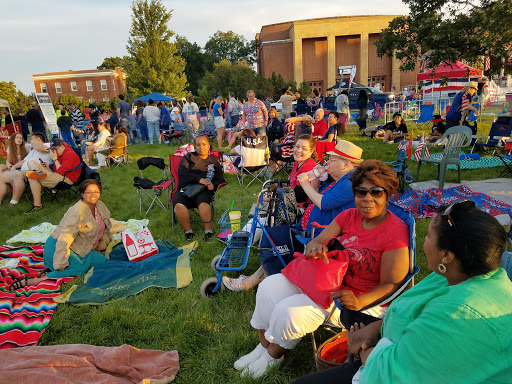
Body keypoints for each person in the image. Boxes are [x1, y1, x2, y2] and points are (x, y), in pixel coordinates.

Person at [293, 200, 512, 384]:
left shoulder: (462, 315)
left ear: (446, 255)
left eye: (427, 236)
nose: (423, 241)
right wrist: (376, 328)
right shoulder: (455, 275)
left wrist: (361, 349)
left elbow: (394, 374)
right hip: (384, 349)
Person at [234, 160, 409, 379]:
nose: (367, 199)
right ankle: (263, 345)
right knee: (269, 287)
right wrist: (316, 247)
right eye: (361, 192)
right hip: (326, 280)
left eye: (376, 192)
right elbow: (318, 240)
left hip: (358, 301)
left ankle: (273, 356)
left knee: (288, 311)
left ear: (388, 194)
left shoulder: (394, 232)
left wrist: (359, 301)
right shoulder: (348, 216)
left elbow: (391, 284)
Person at [223, 140, 363, 293]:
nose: (327, 161)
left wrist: (305, 184)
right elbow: (316, 195)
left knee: (277, 237)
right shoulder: (339, 180)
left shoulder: (349, 182)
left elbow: (323, 203)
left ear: (346, 164)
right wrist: (315, 177)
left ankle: (256, 278)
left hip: (321, 236)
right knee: (276, 235)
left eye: (332, 159)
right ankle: (256, 271)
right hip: (311, 229)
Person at [8, 180, 112, 292]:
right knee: (78, 270)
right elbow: (65, 237)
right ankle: (37, 280)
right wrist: (60, 261)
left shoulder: (100, 206)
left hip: (83, 248)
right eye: (89, 192)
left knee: (104, 262)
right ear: (82, 194)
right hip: (61, 247)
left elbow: (104, 228)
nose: (93, 195)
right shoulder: (77, 211)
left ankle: (53, 271)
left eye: (96, 191)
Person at [173, 135, 226, 242]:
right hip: (185, 189)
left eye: (204, 144)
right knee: (178, 205)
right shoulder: (188, 157)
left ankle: (208, 231)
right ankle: (188, 231)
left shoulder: (213, 161)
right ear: (195, 146)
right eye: (198, 145)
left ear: (209, 145)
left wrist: (214, 185)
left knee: (203, 203)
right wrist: (199, 179)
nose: (201, 147)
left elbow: (220, 179)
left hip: (203, 190)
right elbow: (182, 173)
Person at [25, 137, 81, 214]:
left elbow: (62, 173)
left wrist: (55, 159)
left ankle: (38, 175)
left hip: (66, 180)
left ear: (62, 146)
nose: (54, 151)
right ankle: (38, 175)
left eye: (55, 148)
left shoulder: (70, 154)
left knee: (31, 176)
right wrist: (48, 168)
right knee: (31, 162)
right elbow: (55, 172)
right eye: (52, 149)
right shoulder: (60, 155)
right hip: (57, 177)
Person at [0, 133, 51, 208]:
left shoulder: (47, 145)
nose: (30, 141)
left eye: (32, 139)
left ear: (38, 139)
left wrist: (34, 145)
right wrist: (14, 166)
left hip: (36, 172)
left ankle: (13, 201)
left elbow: (42, 148)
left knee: (19, 174)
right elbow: (23, 161)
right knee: (1, 176)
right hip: (22, 170)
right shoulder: (32, 152)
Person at [289, 134, 318, 204]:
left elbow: (300, 198)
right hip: (293, 200)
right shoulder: (297, 163)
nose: (299, 151)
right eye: (297, 146)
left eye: (304, 149)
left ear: (311, 151)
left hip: (302, 207)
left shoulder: (309, 166)